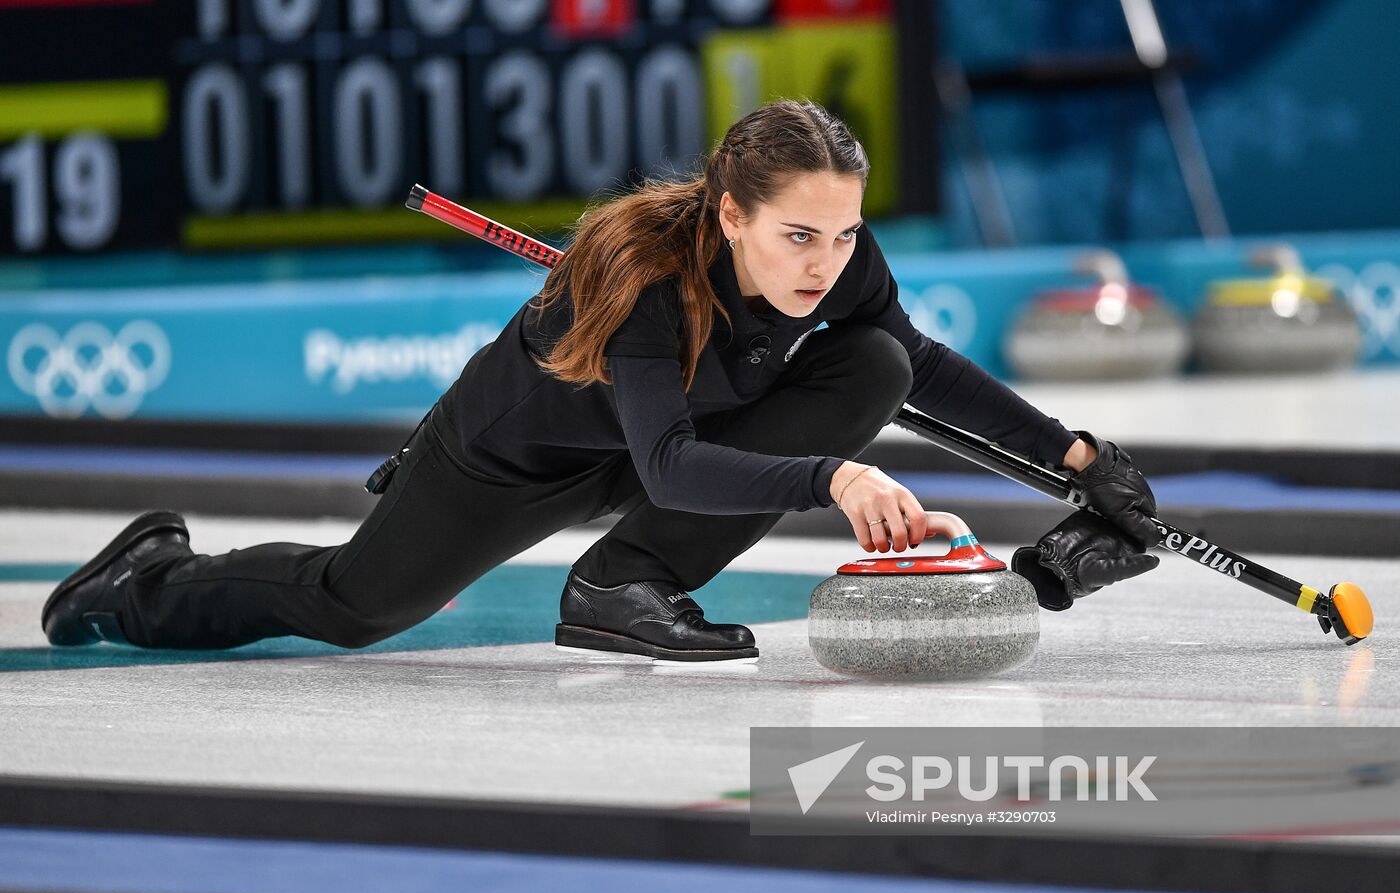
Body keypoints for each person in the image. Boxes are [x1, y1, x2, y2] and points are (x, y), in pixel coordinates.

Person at [41, 100, 1160, 663]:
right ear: (730, 213)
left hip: (664, 443)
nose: (826, 264)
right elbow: (669, 465)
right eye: (797, 236)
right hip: (514, 455)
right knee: (356, 606)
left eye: (843, 234)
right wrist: (833, 477)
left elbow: (919, 366)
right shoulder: (640, 279)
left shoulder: (839, 264)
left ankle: (624, 586)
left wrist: (1072, 454)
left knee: (875, 358)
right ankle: (144, 579)